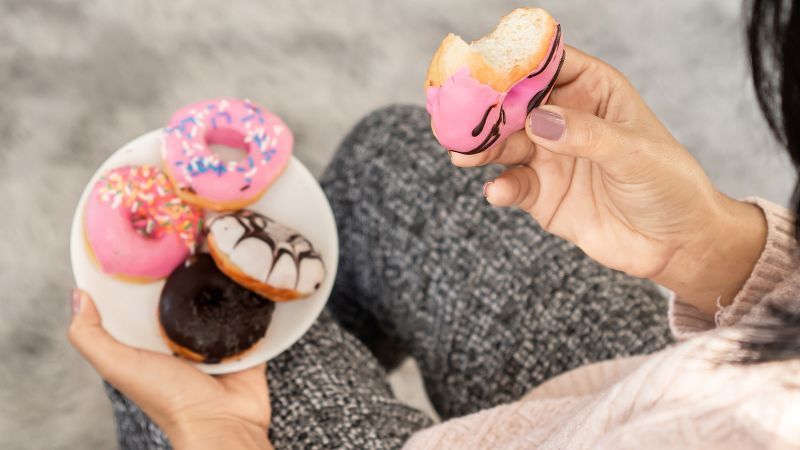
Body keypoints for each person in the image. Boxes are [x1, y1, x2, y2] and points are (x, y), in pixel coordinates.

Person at [69, 0, 800, 448]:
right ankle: (341, 342)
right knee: (395, 156)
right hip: (672, 379)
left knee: (164, 352)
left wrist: (221, 435)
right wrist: (715, 250)